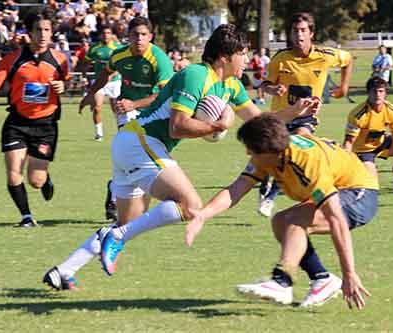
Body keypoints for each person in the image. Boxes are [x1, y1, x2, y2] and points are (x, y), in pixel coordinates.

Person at [43, 23, 309, 290]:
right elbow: (178, 126)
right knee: (189, 206)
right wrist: (216, 127)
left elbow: (260, 119)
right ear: (225, 56)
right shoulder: (196, 74)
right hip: (140, 141)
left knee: (128, 224)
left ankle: (64, 271)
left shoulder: (231, 85)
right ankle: (117, 238)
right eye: (242, 53)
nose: (247, 60)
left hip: (133, 146)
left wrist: (295, 112)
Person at [185, 113, 377, 309]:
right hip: (339, 189)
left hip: (360, 193)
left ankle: (282, 281)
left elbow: (336, 219)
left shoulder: (307, 163)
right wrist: (203, 214)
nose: (248, 154)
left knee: (294, 220)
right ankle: (322, 278)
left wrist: (349, 273)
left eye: (251, 151)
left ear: (269, 152)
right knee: (280, 221)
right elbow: (237, 189)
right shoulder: (268, 156)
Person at [258, 12, 353, 218]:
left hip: (306, 118)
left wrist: (344, 87)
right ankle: (267, 187)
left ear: (311, 33)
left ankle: (274, 196)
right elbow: (265, 85)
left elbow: (348, 60)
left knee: (299, 149)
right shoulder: (281, 59)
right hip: (281, 117)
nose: (299, 35)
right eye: (295, 31)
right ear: (290, 34)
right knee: (274, 157)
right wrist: (273, 89)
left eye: (303, 30)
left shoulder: (326, 55)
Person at [81, 17, 174, 221]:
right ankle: (117, 197)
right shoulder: (120, 55)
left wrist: (135, 104)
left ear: (150, 37)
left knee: (142, 158)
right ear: (128, 36)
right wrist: (91, 93)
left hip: (154, 113)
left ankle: (116, 188)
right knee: (131, 151)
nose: (139, 39)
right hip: (127, 110)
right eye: (135, 34)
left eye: (143, 35)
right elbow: (106, 74)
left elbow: (163, 95)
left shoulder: (160, 60)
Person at [0, 12, 70, 227]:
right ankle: (26, 216)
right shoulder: (12, 59)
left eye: (47, 30)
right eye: (38, 30)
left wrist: (64, 87)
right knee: (14, 171)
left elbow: (66, 83)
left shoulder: (60, 59)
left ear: (52, 32)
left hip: (45, 126)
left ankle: (45, 177)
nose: (43, 34)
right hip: (17, 123)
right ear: (30, 32)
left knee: (36, 181)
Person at [343, 77, 393, 179]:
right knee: (372, 180)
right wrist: (346, 161)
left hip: (381, 143)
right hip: (363, 150)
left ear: (385, 93)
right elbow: (349, 142)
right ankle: (365, 166)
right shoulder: (357, 115)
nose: (377, 95)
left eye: (381, 91)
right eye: (374, 91)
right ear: (368, 93)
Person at [80, 25, 123, 142]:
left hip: (115, 82)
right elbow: (85, 63)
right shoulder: (94, 49)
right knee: (97, 108)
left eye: (108, 33)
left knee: (117, 108)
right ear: (100, 35)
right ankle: (99, 134)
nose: (106, 35)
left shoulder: (118, 48)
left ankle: (121, 131)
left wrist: (112, 75)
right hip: (99, 81)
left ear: (112, 35)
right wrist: (84, 77)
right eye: (104, 33)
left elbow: (122, 65)